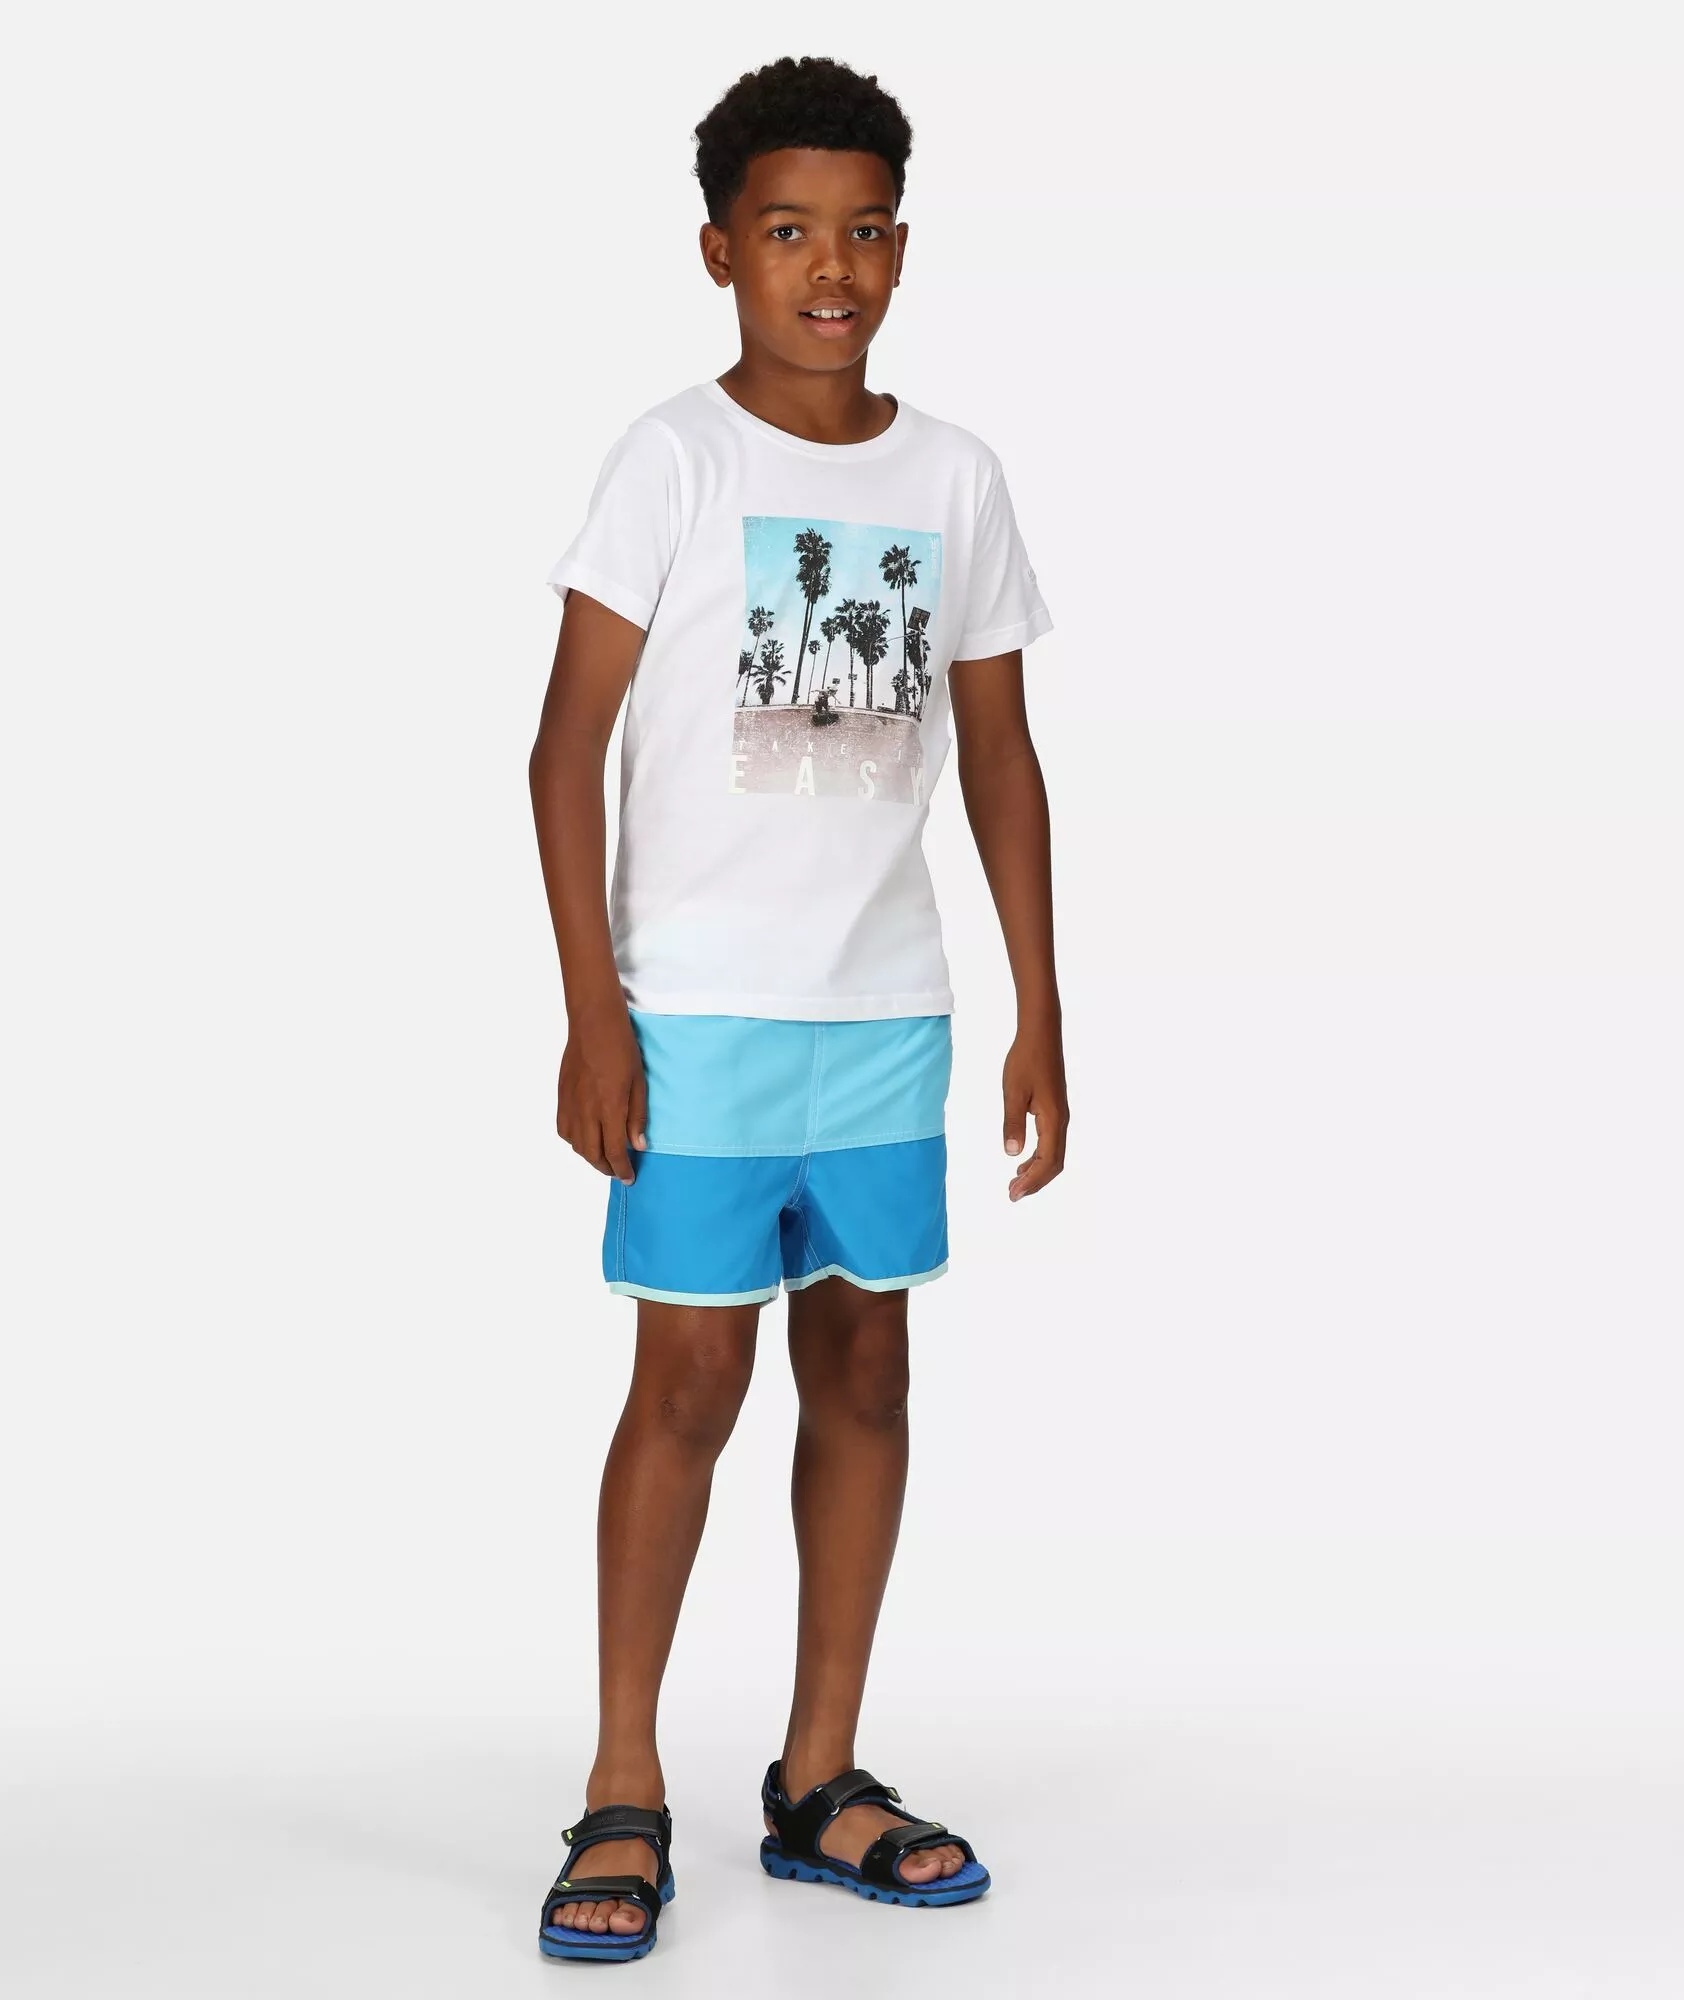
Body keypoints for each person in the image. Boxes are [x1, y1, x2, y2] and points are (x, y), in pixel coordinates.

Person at [527, 55, 1066, 1964]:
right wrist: (595, 1016)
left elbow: (999, 758)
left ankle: (819, 1772)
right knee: (687, 1384)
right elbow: (564, 748)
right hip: (699, 1017)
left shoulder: (955, 477)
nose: (827, 268)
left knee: (867, 1375)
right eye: (785, 232)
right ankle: (624, 1778)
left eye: (861, 232)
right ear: (719, 252)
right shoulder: (674, 461)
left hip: (885, 1014)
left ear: (901, 250)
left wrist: (1039, 1009)